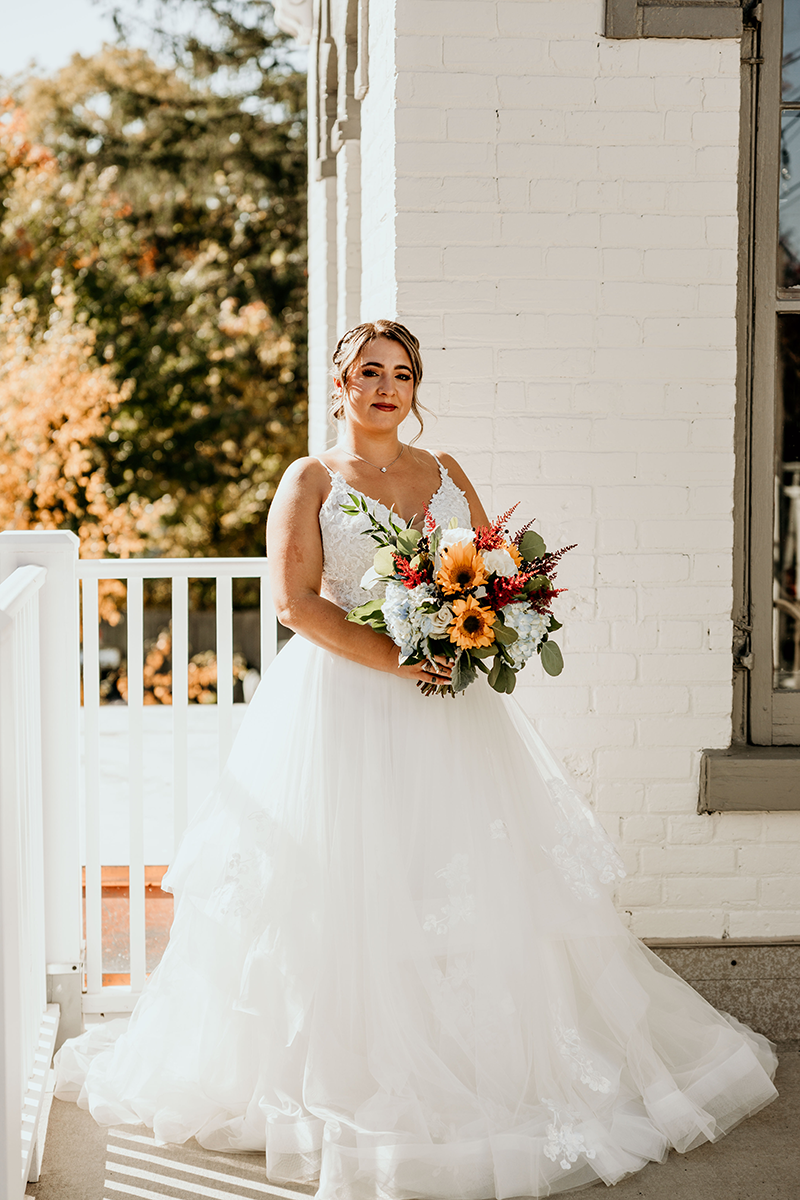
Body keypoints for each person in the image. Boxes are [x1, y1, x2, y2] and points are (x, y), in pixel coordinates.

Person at [56, 320, 778, 1199]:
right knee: (349, 889)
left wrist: (483, 626)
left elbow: (492, 570)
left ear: (415, 387)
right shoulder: (310, 479)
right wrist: (404, 657)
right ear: (339, 384)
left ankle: (481, 1062)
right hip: (344, 707)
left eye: (402, 373)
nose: (387, 387)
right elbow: (293, 604)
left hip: (450, 710)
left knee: (461, 877)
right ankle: (345, 1078)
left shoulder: (447, 474)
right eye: (370, 372)